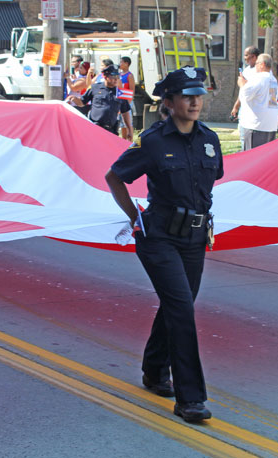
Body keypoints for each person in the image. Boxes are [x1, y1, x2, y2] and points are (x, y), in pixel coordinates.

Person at [105, 66, 223, 422]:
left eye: (198, 95)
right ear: (169, 102)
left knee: (178, 305)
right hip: (159, 237)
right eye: (187, 96)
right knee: (182, 310)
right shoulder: (153, 140)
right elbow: (115, 176)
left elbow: (210, 182)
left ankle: (155, 371)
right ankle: (190, 398)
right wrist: (132, 216)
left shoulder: (210, 139)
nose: (195, 101)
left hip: (194, 238)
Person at [68, 64, 133, 138]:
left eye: (117, 77)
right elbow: (82, 102)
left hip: (111, 131)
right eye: (113, 77)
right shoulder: (95, 88)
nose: (116, 79)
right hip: (95, 129)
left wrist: (129, 129)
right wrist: (74, 99)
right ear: (105, 77)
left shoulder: (120, 93)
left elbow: (125, 112)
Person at [237, 53, 278, 150]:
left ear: (262, 64)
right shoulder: (273, 79)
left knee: (251, 157)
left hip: (256, 125)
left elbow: (246, 95)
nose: (255, 66)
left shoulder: (258, 78)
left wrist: (242, 84)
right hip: (270, 125)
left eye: (257, 63)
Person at [231, 46, 260, 150]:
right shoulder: (246, 70)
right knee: (243, 140)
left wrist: (244, 83)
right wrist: (236, 106)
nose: (244, 58)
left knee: (251, 145)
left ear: (254, 57)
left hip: (253, 113)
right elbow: (242, 91)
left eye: (246, 55)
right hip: (244, 112)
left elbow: (252, 90)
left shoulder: (259, 72)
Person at [118, 56, 136, 140]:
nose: (120, 64)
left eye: (121, 62)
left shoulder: (130, 75)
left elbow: (132, 90)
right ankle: (123, 141)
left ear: (126, 64)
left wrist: (129, 102)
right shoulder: (118, 75)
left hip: (127, 101)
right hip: (120, 101)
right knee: (122, 124)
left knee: (128, 123)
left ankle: (130, 142)